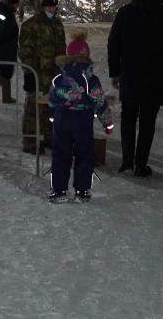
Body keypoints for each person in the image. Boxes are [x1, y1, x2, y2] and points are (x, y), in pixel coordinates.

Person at [107, 0, 163, 177]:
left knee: (128, 118)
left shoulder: (126, 12)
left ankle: (127, 161)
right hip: (157, 77)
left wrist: (115, 72)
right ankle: (141, 164)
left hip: (131, 75)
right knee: (148, 121)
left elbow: (114, 44)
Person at [47, 31, 114, 202]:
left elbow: (53, 99)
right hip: (82, 119)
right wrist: (107, 123)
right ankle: (82, 191)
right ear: (86, 56)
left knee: (60, 154)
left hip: (62, 118)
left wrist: (53, 117)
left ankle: (59, 191)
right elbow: (99, 101)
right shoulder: (90, 79)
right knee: (84, 154)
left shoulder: (59, 77)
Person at [18, 0, 66, 154]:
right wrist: (28, 73)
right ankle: (30, 143)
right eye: (48, 6)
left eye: (54, 6)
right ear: (41, 6)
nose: (52, 9)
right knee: (33, 108)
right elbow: (25, 52)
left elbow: (61, 49)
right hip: (37, 74)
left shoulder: (57, 25)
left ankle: (48, 137)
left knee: (51, 107)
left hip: (54, 74)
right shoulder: (30, 25)